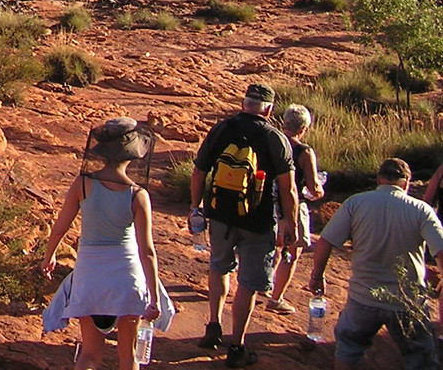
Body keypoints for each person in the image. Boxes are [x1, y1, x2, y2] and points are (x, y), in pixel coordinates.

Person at [41, 117, 174, 370]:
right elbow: (147, 251)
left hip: (90, 277)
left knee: (90, 354)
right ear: (132, 154)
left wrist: (49, 257)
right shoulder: (138, 195)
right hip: (127, 278)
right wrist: (155, 299)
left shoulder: (83, 184)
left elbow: (60, 228)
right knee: (129, 356)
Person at [190, 82, 297, 367]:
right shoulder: (275, 138)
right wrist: (290, 223)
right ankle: (237, 346)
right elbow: (288, 188)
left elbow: (199, 172)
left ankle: (213, 326)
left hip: (220, 215)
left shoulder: (221, 129)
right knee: (248, 284)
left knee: (218, 266)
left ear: (243, 104)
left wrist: (195, 207)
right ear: (269, 110)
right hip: (258, 221)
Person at [306, 157, 443, 370]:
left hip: (363, 298)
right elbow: (440, 250)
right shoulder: (421, 210)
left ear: (379, 179)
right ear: (407, 182)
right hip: (406, 300)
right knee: (420, 356)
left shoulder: (355, 203)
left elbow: (325, 242)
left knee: (348, 348)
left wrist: (317, 276)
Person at [267, 104, 324, 314]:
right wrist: (319, 190)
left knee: (271, 246)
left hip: (266, 202)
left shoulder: (271, 141)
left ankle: (263, 285)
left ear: (284, 122)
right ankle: (276, 298)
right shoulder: (304, 151)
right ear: (303, 129)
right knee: (292, 251)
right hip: (292, 205)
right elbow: (313, 187)